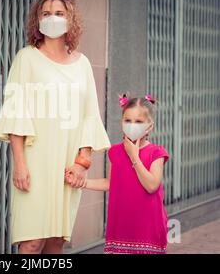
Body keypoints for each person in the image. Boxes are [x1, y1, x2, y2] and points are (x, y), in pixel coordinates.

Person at [0, 0, 110, 254]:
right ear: (38, 20)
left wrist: (82, 163)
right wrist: (20, 164)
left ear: (70, 19)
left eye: (58, 12)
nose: (52, 18)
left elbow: (89, 116)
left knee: (56, 241)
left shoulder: (82, 64)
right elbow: (16, 112)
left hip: (68, 164)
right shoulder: (27, 58)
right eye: (45, 13)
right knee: (32, 243)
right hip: (35, 163)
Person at [65, 93, 170, 254]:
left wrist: (134, 156)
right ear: (121, 122)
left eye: (139, 121)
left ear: (150, 126)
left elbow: (151, 186)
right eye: (128, 120)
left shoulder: (156, 153)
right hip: (122, 225)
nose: (132, 125)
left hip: (148, 227)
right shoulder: (115, 152)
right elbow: (111, 182)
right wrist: (82, 182)